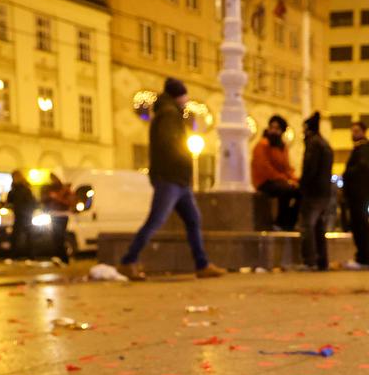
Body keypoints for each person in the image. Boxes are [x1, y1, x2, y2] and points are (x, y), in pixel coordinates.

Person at [120, 78, 225, 279]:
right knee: (156, 221)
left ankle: (202, 264)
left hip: (178, 180)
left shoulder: (169, 113)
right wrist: (182, 159)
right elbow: (170, 144)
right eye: (185, 96)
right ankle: (128, 261)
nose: (186, 100)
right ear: (179, 96)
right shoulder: (168, 115)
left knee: (193, 220)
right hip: (170, 178)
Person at [341, 121, 369, 270]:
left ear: (364, 132)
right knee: (360, 226)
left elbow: (362, 169)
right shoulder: (362, 149)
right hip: (359, 194)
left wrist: (348, 174)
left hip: (359, 194)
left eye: (357, 131)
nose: (353, 134)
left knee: (360, 226)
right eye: (352, 131)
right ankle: (363, 258)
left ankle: (363, 259)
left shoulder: (363, 150)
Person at [297, 111, 333, 271]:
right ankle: (322, 261)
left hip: (313, 192)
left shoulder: (313, 144)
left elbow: (309, 169)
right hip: (325, 191)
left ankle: (309, 261)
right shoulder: (325, 144)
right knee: (319, 226)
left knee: (307, 226)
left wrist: (302, 186)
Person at [251, 115, 300, 231]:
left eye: (277, 128)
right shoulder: (262, 145)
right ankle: (279, 223)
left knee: (300, 192)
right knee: (286, 190)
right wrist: (285, 180)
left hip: (279, 181)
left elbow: (287, 168)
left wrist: (295, 180)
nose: (273, 131)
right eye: (272, 127)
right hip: (264, 182)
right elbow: (264, 168)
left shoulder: (283, 147)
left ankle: (289, 224)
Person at [40, 173, 73, 264]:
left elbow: (69, 202)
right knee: (55, 236)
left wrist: (57, 197)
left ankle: (64, 258)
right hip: (53, 214)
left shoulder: (66, 190)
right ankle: (58, 257)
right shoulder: (50, 189)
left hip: (63, 215)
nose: (52, 181)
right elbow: (44, 200)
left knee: (60, 236)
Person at [5, 170, 36, 259]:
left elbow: (31, 202)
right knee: (17, 236)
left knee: (26, 236)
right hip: (19, 215)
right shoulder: (15, 189)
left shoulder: (24, 189)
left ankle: (29, 256)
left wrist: (28, 211)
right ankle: (15, 256)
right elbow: (9, 201)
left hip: (25, 215)